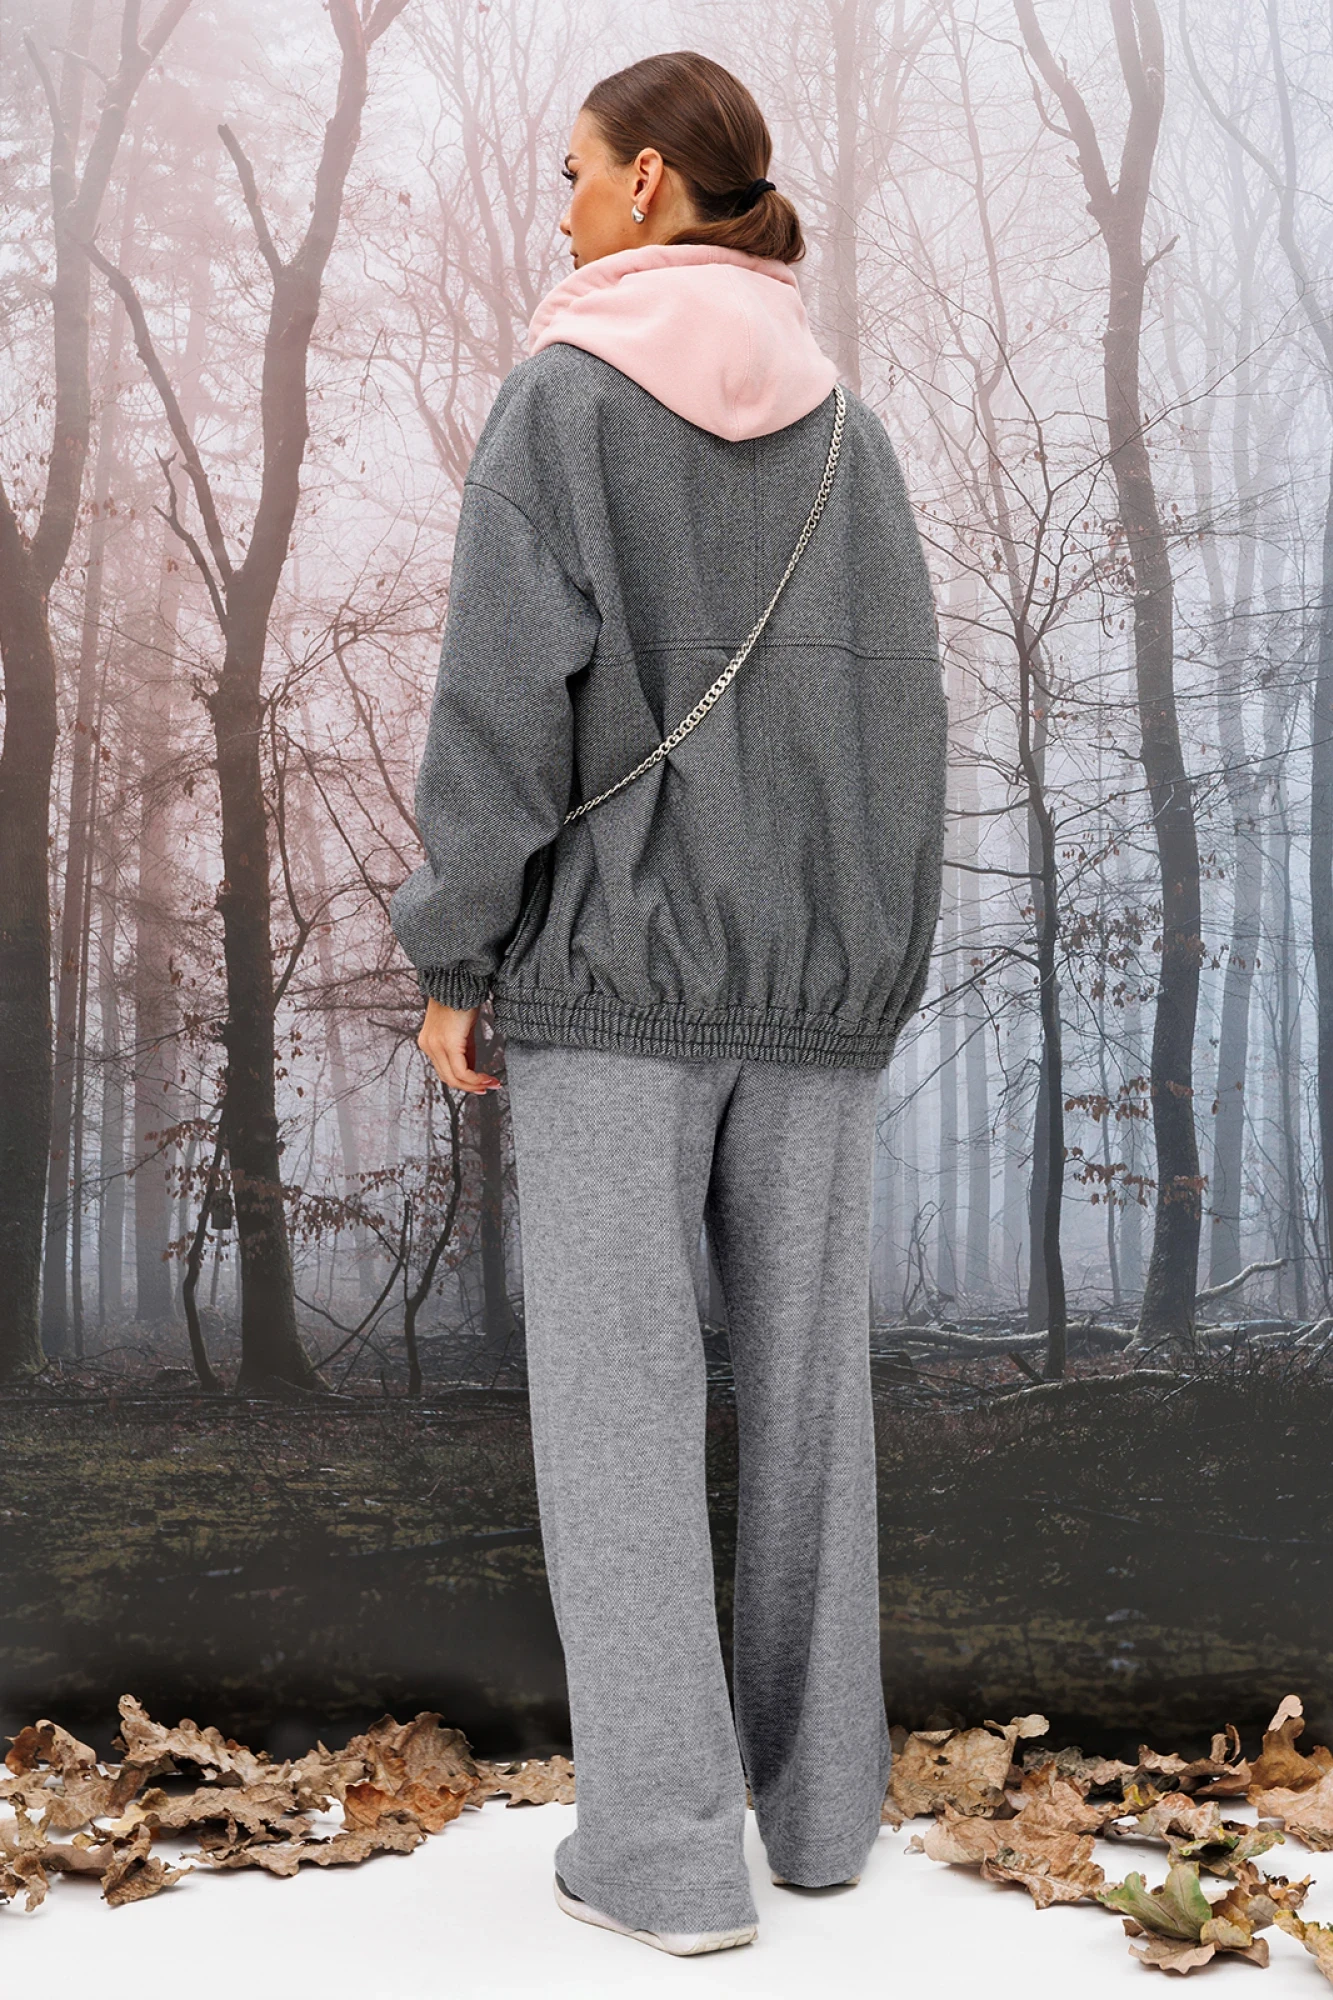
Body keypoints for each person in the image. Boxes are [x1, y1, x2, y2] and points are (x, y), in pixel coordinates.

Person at [390, 49, 946, 1960]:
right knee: (809, 1406)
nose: (558, 213)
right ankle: (821, 1818)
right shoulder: (850, 433)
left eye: (572, 175)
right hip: (814, 995)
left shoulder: (561, 402)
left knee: (620, 1416)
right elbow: (904, 731)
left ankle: (664, 1859)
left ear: (644, 186)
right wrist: (867, 968)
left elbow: (498, 704)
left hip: (613, 991)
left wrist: (458, 950)